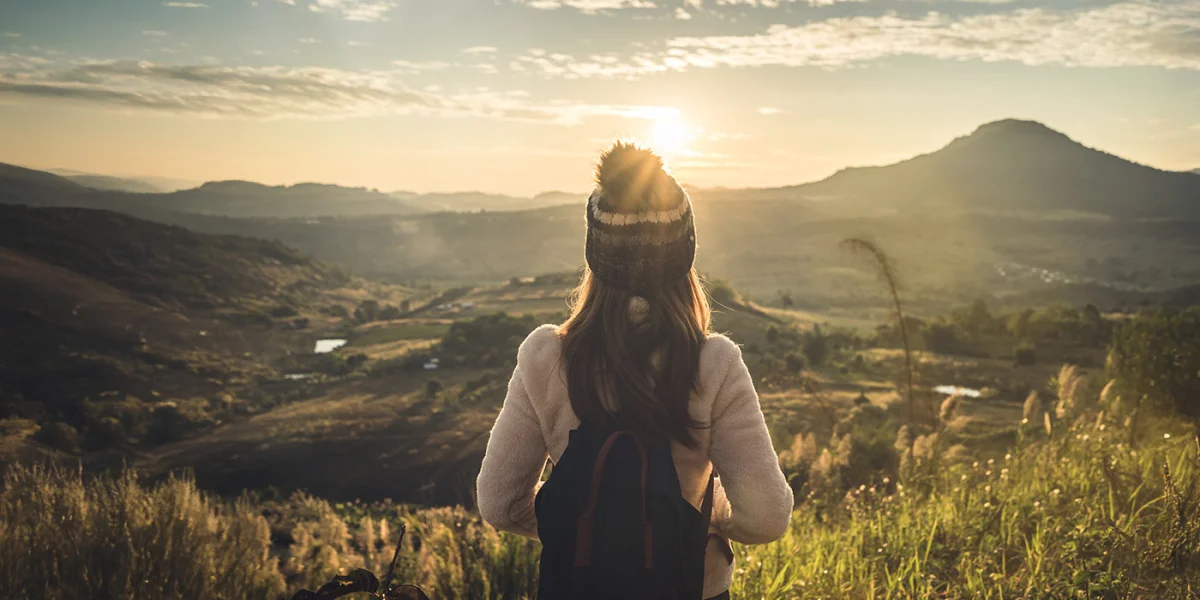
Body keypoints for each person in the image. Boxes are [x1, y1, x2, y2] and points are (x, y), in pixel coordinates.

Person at [476, 142, 793, 600]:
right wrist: (695, 515)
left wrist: (593, 532)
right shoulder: (714, 363)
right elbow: (766, 517)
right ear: (684, 256)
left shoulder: (544, 355)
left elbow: (499, 504)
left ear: (595, 255)